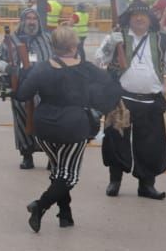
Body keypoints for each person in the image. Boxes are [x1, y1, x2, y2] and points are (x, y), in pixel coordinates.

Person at [16, 27, 116, 231]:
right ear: (74, 45)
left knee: (58, 171)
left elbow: (23, 94)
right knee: (69, 175)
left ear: (53, 46)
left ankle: (65, 215)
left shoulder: (42, 68)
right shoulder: (86, 69)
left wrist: (25, 74)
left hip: (43, 126)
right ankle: (40, 206)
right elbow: (109, 85)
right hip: (73, 126)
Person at [96, 1, 166, 200]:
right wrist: (111, 44)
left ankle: (147, 185)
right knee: (115, 143)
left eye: (143, 15)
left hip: (150, 102)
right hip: (120, 101)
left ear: (151, 19)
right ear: (129, 18)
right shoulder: (116, 36)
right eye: (135, 15)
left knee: (151, 146)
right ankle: (115, 181)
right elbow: (100, 59)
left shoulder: (163, 40)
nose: (139, 18)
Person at [0, 8, 53, 169]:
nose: (31, 21)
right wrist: (10, 69)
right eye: (28, 18)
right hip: (21, 85)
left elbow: (58, 57)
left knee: (48, 121)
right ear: (23, 21)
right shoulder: (12, 40)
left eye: (34, 18)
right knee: (22, 121)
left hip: (46, 86)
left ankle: (52, 156)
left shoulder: (47, 38)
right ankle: (27, 155)